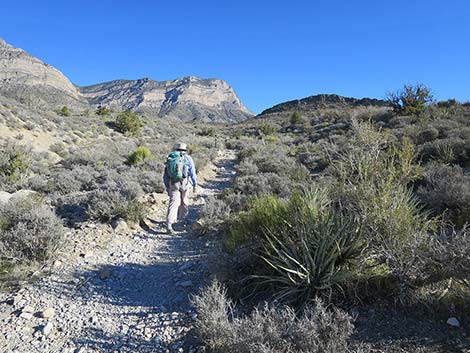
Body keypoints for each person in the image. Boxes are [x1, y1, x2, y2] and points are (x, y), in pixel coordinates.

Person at [163, 142, 197, 234]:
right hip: (185, 183)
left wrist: (167, 186)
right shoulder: (188, 158)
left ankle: (169, 225)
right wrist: (194, 184)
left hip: (173, 183)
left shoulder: (171, 158)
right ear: (185, 149)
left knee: (173, 203)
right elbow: (192, 172)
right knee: (184, 201)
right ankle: (183, 221)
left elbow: (165, 175)